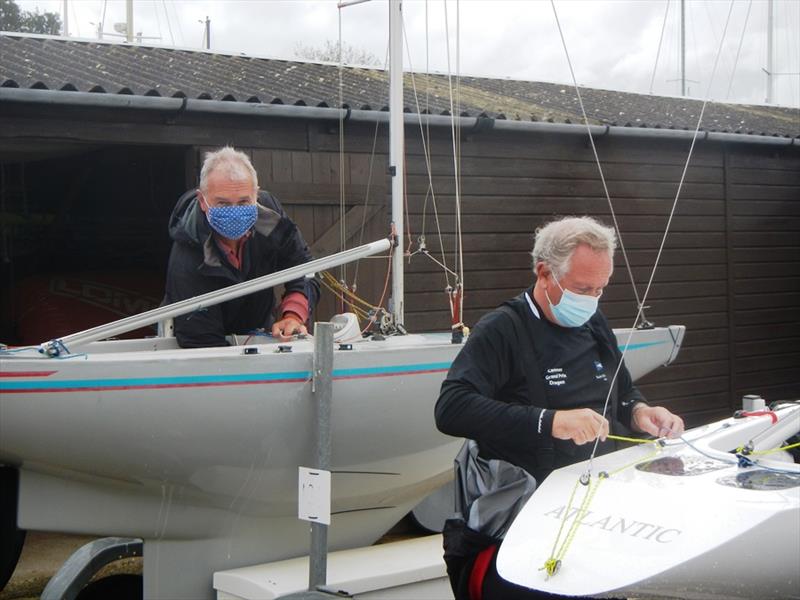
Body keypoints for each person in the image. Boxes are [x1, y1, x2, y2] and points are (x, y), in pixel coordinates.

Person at [435, 216, 684, 600]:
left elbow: (622, 391)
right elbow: (451, 408)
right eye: (583, 288)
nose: (592, 299)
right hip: (525, 523)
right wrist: (548, 422)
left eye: (600, 289)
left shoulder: (593, 321)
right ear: (545, 273)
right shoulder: (502, 329)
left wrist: (639, 412)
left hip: (597, 513)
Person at [163, 146, 320, 348]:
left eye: (244, 202)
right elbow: (201, 342)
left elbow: (304, 267)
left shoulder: (271, 218)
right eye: (222, 203)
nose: (235, 211)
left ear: (256, 195)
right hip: (199, 342)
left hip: (258, 331)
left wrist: (293, 314)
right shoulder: (187, 254)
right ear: (202, 201)